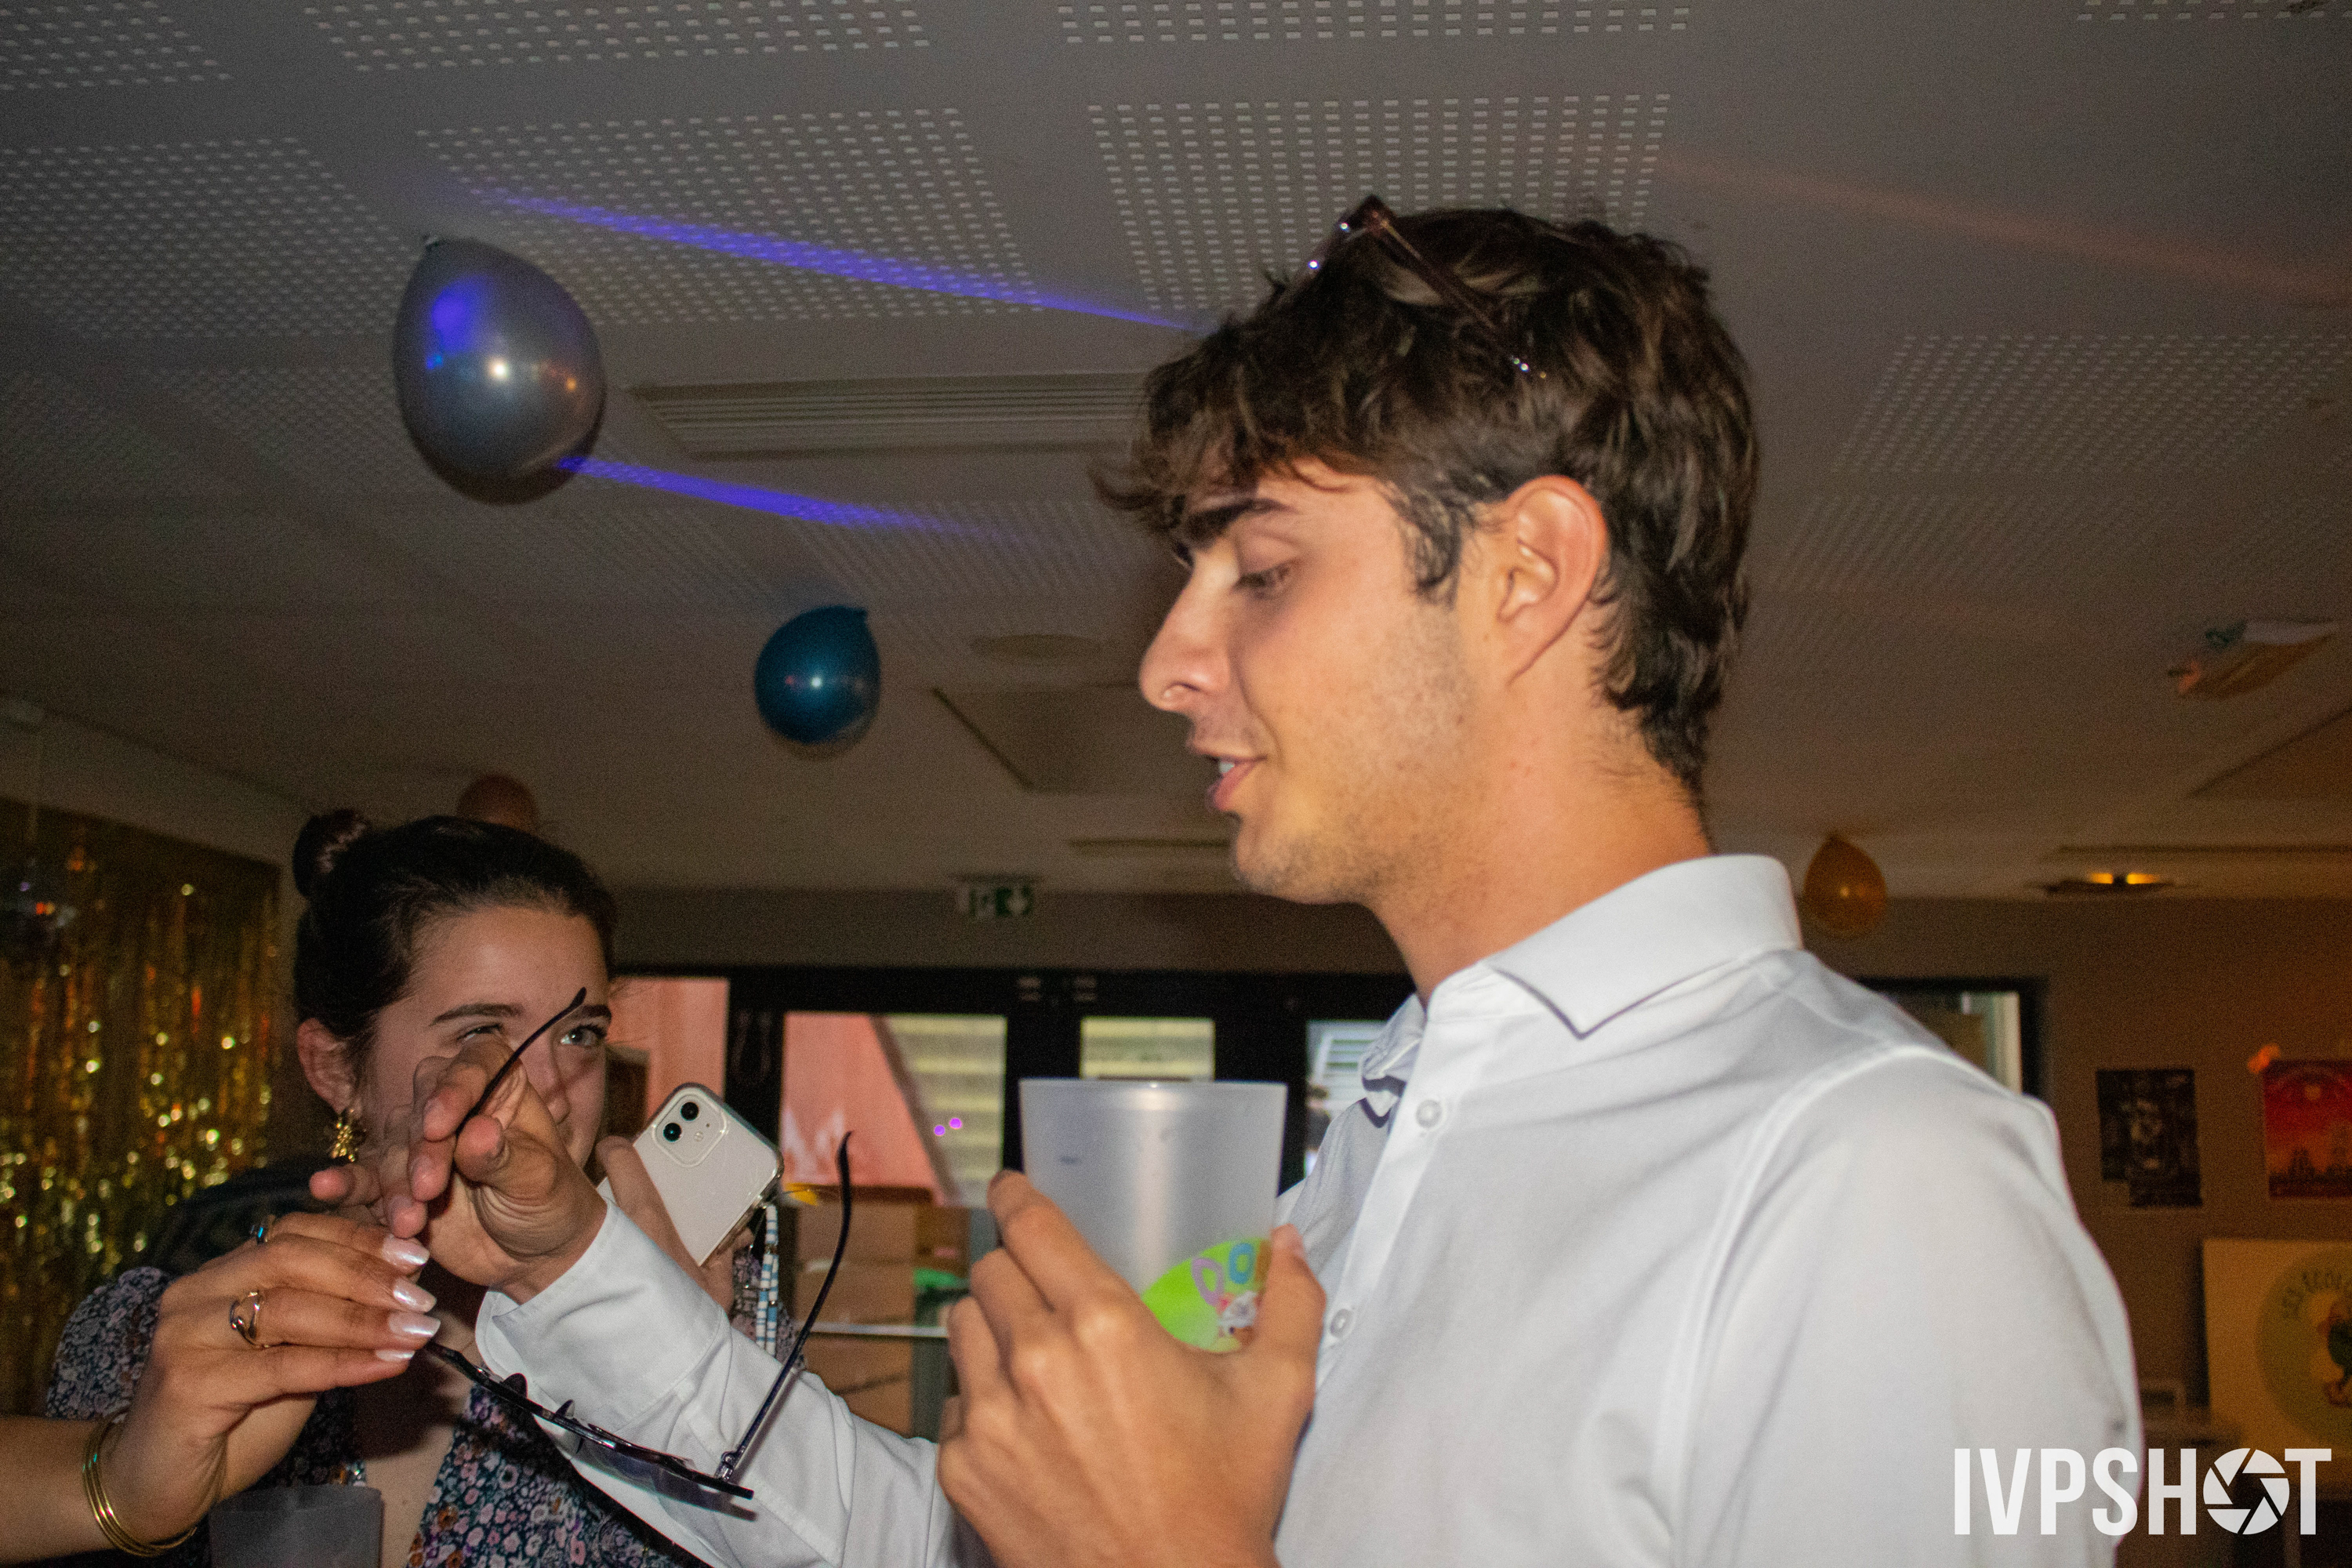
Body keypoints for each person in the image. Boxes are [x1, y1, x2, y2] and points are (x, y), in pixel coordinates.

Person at [355, 202, 2138, 1566]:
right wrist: (585, 1268)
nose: (1166, 663)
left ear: (1527, 573)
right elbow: (931, 1545)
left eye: (1261, 570)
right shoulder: (1386, 1142)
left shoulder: (1870, 1175)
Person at [45, 811, 738, 1568]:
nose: (550, 1095)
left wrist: (683, 1368)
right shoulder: (151, 1354)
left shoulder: (708, 1334)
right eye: (481, 1034)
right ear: (335, 1069)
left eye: (580, 1035)